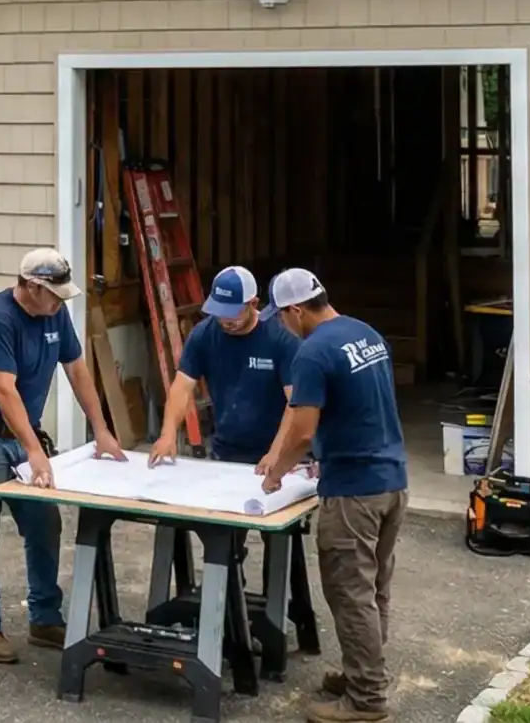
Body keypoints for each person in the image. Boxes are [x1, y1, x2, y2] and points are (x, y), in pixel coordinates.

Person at [0, 247, 126, 664]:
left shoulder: (54, 312)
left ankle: (44, 618)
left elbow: (77, 369)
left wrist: (101, 430)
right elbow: (3, 390)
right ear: (29, 287)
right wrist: (33, 451)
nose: (60, 302)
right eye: (53, 294)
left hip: (22, 432)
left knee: (45, 525)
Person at [257, 268, 408, 723]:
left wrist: (276, 473)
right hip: (391, 480)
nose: (282, 325)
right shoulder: (365, 333)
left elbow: (302, 431)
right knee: (373, 589)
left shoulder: (312, 352)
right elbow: (363, 403)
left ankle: (366, 699)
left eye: (282, 316)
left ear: (296, 310)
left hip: (354, 493)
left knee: (350, 593)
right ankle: (364, 674)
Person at [148, 265, 297, 467]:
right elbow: (181, 388)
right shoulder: (203, 335)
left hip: (276, 452)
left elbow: (296, 402)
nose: (225, 320)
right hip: (226, 451)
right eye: (220, 312)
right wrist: (168, 433)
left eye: (232, 313)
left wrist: (277, 453)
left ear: (253, 304)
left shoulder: (281, 339)